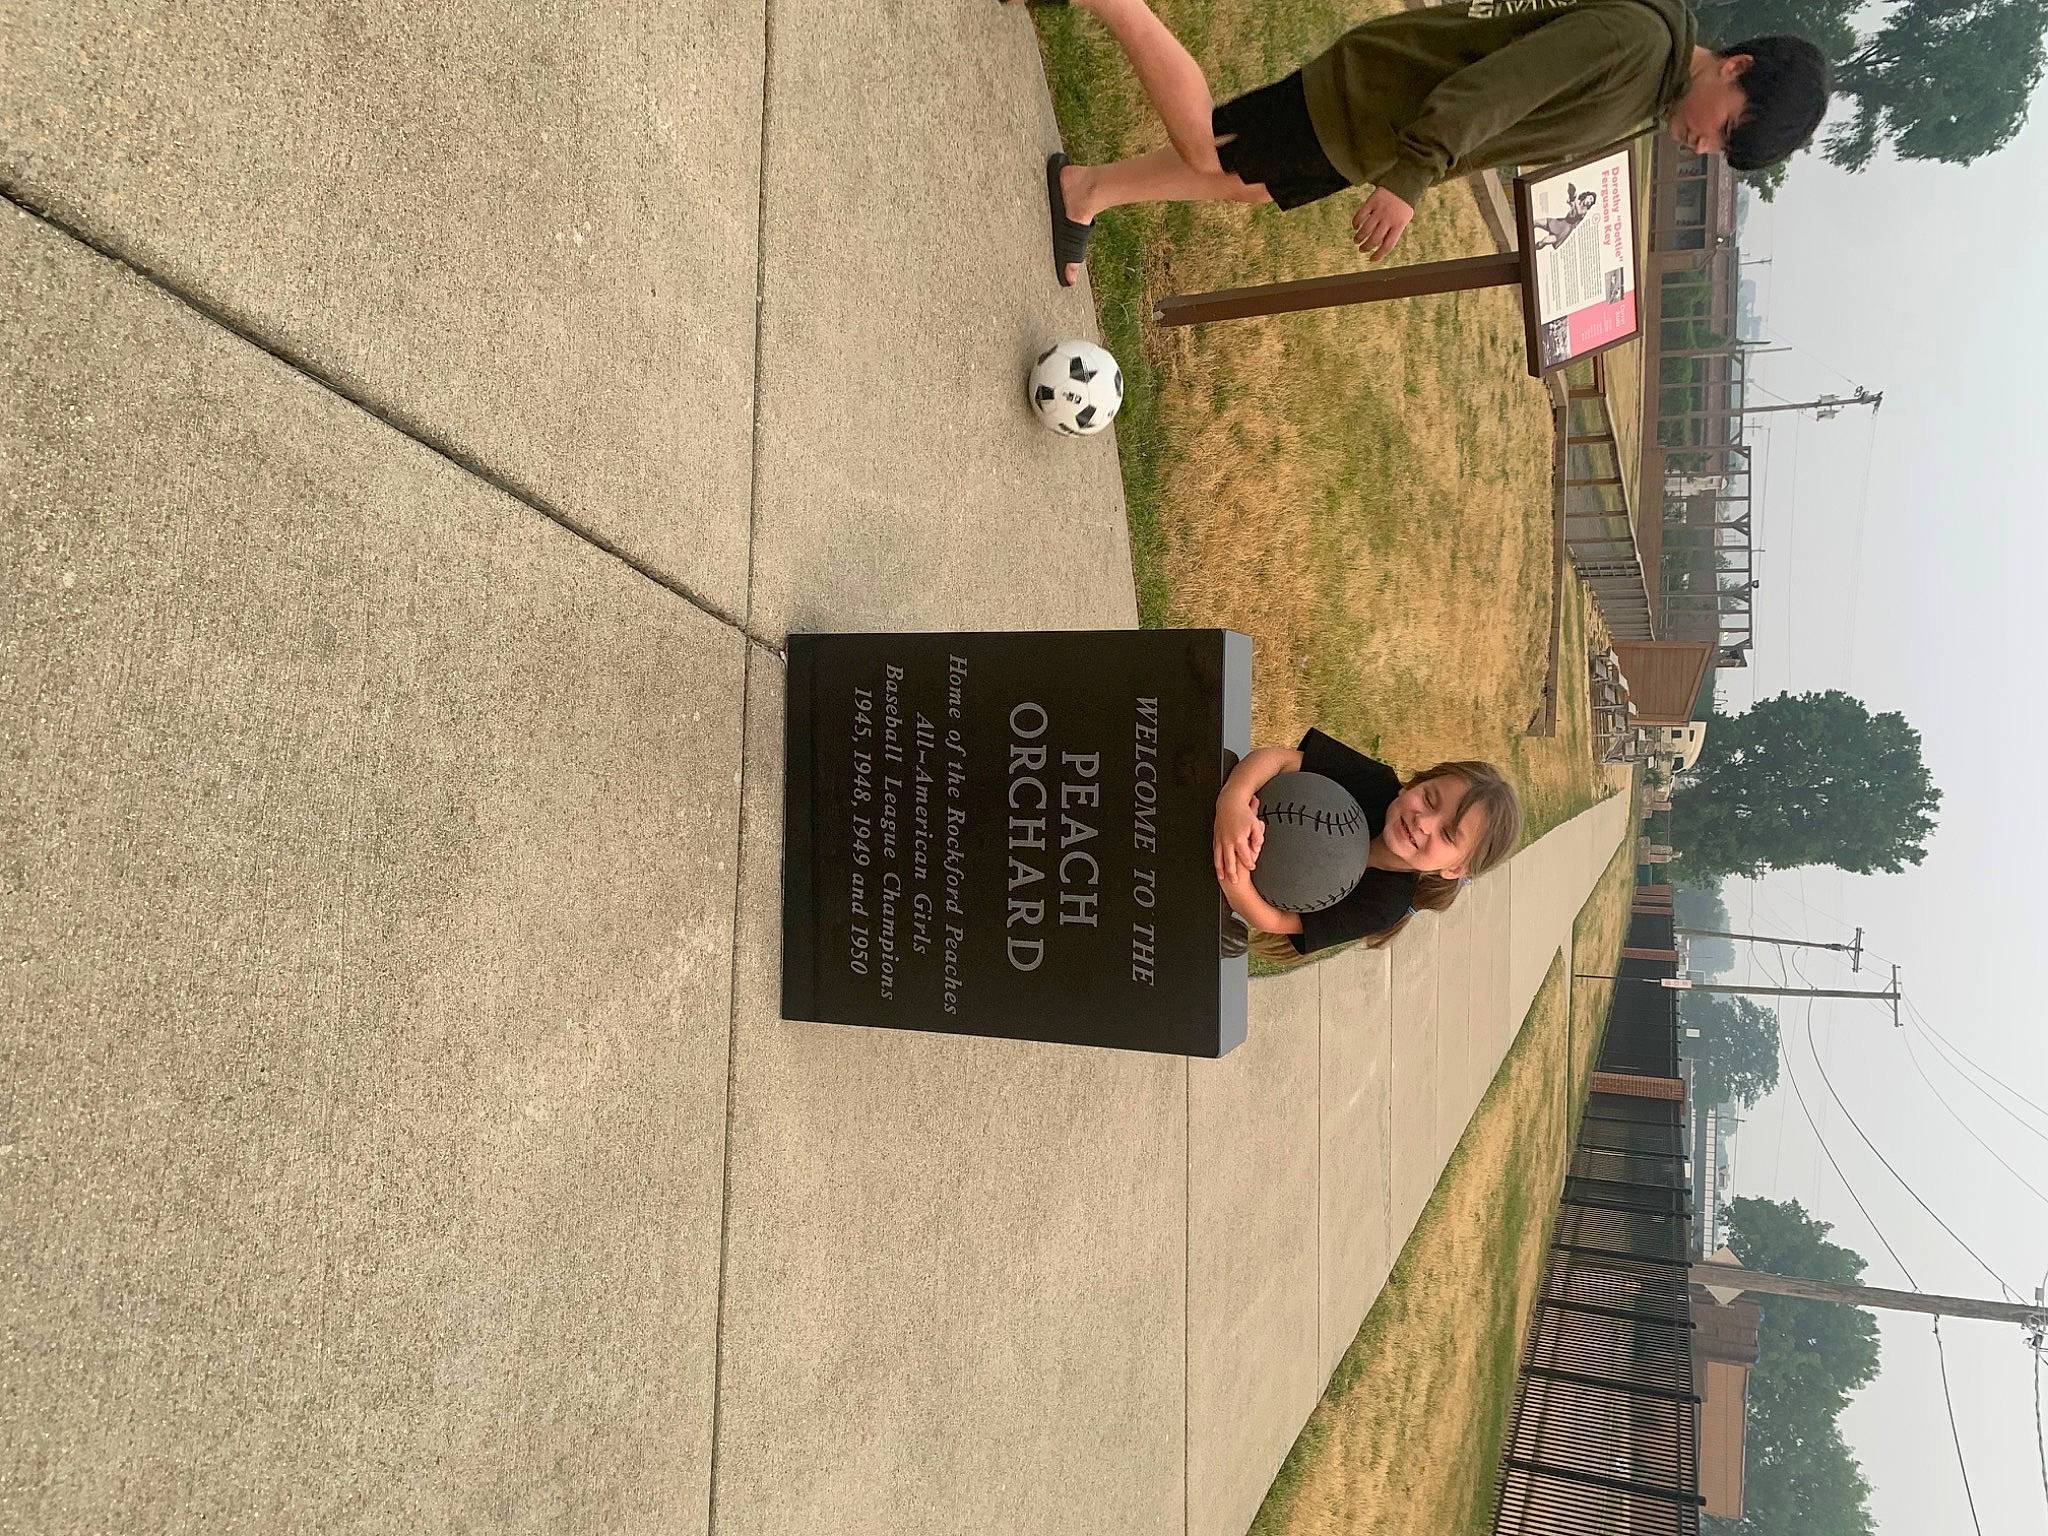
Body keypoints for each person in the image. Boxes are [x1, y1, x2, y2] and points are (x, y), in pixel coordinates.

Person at [1003, 0, 1829, 286]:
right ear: (1737, 67)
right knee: (1206, 150)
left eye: (1721, 152)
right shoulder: (1637, 47)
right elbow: (1501, 86)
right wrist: (1413, 174)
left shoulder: (1650, 86)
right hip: (1374, 102)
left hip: (1376, 128)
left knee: (1244, 183)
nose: (1703, 144)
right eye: (1723, 130)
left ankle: (1089, 190)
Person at [1212, 729, 1522, 956]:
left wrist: (1230, 869)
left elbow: (1278, 920)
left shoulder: (1385, 905)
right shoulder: (1375, 783)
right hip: (1241, 810)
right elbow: (1278, 761)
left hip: (1238, 885)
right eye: (1429, 798)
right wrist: (1233, 801)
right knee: (1219, 765)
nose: (1424, 822)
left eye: (1447, 834)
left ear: (1454, 869)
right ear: (1413, 783)